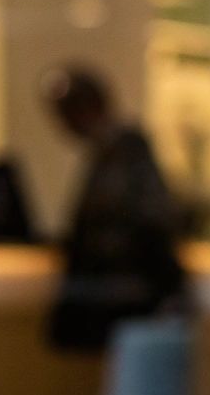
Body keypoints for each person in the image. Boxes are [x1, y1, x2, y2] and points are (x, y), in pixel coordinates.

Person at [41, 66, 193, 395]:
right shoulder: (110, 152)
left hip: (135, 307)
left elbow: (147, 227)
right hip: (130, 306)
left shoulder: (126, 151)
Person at [41, 66, 190, 353]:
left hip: (127, 300)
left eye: (67, 113)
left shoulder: (127, 149)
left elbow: (150, 222)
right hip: (122, 299)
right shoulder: (107, 152)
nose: (63, 125)